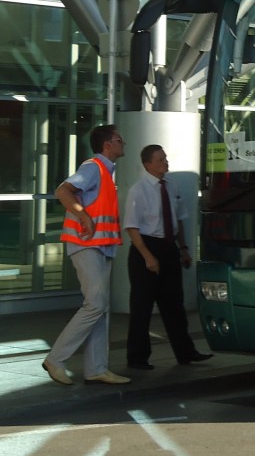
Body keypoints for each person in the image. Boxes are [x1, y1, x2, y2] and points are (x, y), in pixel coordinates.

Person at [42, 124, 131, 386]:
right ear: (107, 144)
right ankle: (56, 360)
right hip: (86, 245)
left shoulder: (106, 171)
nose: (123, 143)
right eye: (119, 139)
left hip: (100, 246)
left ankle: (96, 368)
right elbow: (62, 191)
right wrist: (83, 216)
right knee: (95, 304)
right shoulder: (94, 167)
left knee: (99, 306)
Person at [123, 144, 212, 370]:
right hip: (146, 247)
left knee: (174, 304)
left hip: (168, 247)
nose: (165, 162)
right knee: (142, 307)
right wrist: (148, 257)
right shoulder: (138, 190)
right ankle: (137, 357)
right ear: (148, 165)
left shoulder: (170, 185)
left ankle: (186, 352)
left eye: (165, 158)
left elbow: (177, 219)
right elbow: (132, 227)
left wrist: (183, 249)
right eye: (160, 160)